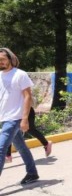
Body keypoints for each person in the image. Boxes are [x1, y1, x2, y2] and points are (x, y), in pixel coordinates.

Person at [0, 47, 40, 185]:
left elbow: (28, 97)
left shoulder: (20, 74)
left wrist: (24, 119)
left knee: (1, 148)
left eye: (3, 59)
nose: (1, 62)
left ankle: (32, 173)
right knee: (21, 147)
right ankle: (32, 173)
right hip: (5, 118)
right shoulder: (0, 75)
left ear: (10, 59)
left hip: (15, 118)